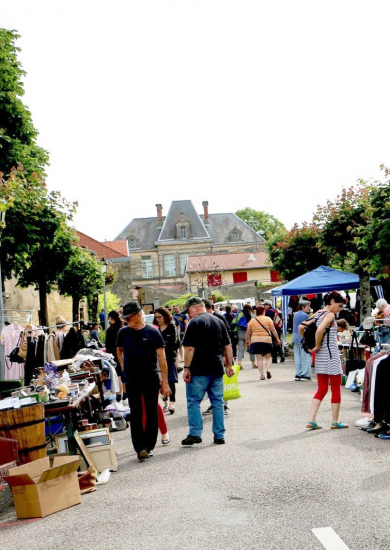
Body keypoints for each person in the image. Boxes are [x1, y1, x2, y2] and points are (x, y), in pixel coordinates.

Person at [116, 301, 171, 461]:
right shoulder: (123, 332)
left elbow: (162, 358)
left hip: (150, 376)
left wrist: (165, 381)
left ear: (139, 315)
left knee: (151, 410)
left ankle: (149, 446)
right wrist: (123, 368)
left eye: (128, 318)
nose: (126, 321)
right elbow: (119, 351)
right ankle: (139, 447)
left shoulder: (152, 332)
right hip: (132, 377)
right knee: (136, 412)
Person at [181, 296, 234, 446]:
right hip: (217, 367)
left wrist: (186, 368)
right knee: (217, 402)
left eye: (188, 311)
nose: (188, 315)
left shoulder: (194, 322)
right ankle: (219, 435)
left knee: (193, 401)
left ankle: (195, 433)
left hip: (198, 368)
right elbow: (228, 346)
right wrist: (229, 365)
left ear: (195, 308)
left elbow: (189, 348)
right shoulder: (219, 321)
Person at [299, 291, 348, 431]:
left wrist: (309, 343)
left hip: (320, 357)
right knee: (336, 388)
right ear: (331, 301)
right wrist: (318, 344)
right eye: (339, 306)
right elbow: (319, 330)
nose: (339, 309)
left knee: (322, 388)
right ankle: (335, 421)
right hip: (331, 354)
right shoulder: (330, 315)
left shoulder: (317, 313)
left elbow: (301, 327)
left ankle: (312, 419)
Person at [202, 299, 233, 416]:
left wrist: (227, 356)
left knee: (222, 382)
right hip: (214, 356)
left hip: (222, 355)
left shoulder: (218, 318)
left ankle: (224, 405)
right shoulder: (208, 318)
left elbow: (227, 339)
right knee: (214, 383)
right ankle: (214, 404)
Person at [154, 307, 179, 414]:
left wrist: (177, 360)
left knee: (171, 381)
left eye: (160, 317)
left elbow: (176, 344)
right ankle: (165, 403)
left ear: (165, 316)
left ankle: (172, 403)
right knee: (160, 381)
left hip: (169, 358)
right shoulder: (155, 329)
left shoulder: (171, 327)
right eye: (156, 317)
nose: (158, 319)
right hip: (156, 359)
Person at [246, 305, 280, 380]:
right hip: (266, 340)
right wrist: (277, 339)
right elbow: (273, 330)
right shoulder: (268, 319)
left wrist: (247, 341)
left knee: (259, 359)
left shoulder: (252, 320)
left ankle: (262, 375)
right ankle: (268, 369)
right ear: (264, 311)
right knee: (268, 357)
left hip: (255, 341)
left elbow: (248, 332)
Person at [105, 310, 126, 405]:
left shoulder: (110, 330)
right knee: (124, 373)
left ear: (111, 318)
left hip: (114, 354)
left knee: (118, 375)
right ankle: (126, 394)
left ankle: (118, 395)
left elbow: (108, 345)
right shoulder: (123, 328)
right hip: (124, 353)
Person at [292, 300, 312, 381]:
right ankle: (305, 373)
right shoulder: (306, 316)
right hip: (303, 338)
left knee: (297, 356)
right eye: (308, 306)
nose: (309, 308)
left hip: (295, 337)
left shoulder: (295, 314)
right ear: (303, 307)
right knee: (305, 356)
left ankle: (298, 373)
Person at [232, 304, 256, 369]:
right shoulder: (251, 314)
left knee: (240, 349)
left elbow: (234, 322)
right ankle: (253, 363)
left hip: (240, 333)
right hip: (249, 333)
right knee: (251, 348)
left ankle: (239, 363)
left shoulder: (239, 313)